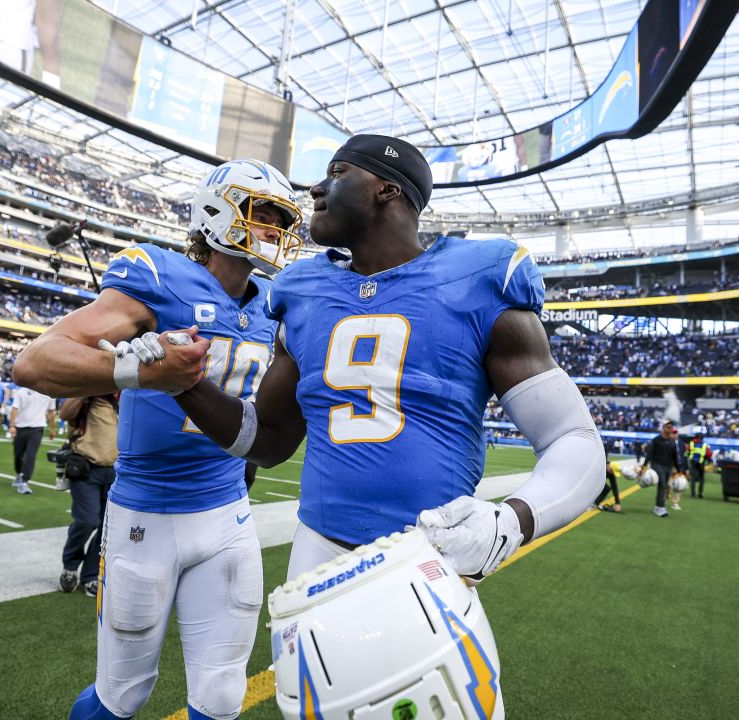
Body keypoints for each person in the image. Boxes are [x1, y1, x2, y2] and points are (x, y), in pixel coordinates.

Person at [132, 134, 604, 585]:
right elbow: (269, 439)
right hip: (317, 550)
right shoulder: (301, 291)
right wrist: (184, 383)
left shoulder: (478, 277)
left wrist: (510, 522)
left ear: (387, 189)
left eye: (336, 172)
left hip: (428, 557)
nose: (316, 188)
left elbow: (572, 437)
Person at [11, 158, 300, 720]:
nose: (272, 230)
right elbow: (34, 361)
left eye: (279, 219)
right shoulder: (159, 274)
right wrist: (138, 371)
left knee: (221, 696)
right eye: (259, 213)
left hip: (228, 517)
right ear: (216, 212)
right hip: (146, 516)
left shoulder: (277, 303)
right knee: (122, 696)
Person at [55, 393, 118, 597]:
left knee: (106, 527)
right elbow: (64, 413)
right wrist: (88, 389)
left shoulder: (124, 395)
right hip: (86, 467)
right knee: (86, 521)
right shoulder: (88, 393)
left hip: (117, 471)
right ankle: (70, 565)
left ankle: (90, 574)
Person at [9, 383, 54, 495]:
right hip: (20, 428)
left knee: (31, 455)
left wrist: (53, 428)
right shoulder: (21, 392)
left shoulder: (49, 393)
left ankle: (24, 481)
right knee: (18, 455)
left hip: (37, 428)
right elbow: (14, 409)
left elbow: (51, 411)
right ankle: (19, 474)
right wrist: (12, 425)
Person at [641, 421, 683, 517]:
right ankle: (660, 507)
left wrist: (679, 470)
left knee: (664, 486)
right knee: (662, 484)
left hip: (668, 467)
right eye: (668, 427)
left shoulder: (673, 442)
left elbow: (675, 457)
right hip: (656, 465)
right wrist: (644, 466)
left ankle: (658, 506)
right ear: (663, 428)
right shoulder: (656, 440)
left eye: (671, 427)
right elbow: (650, 454)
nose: (670, 429)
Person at [687, 432, 710, 498]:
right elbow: (709, 454)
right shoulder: (704, 444)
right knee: (701, 478)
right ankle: (700, 493)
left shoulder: (691, 443)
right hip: (701, 462)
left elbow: (688, 450)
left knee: (693, 478)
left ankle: (693, 493)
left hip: (693, 462)